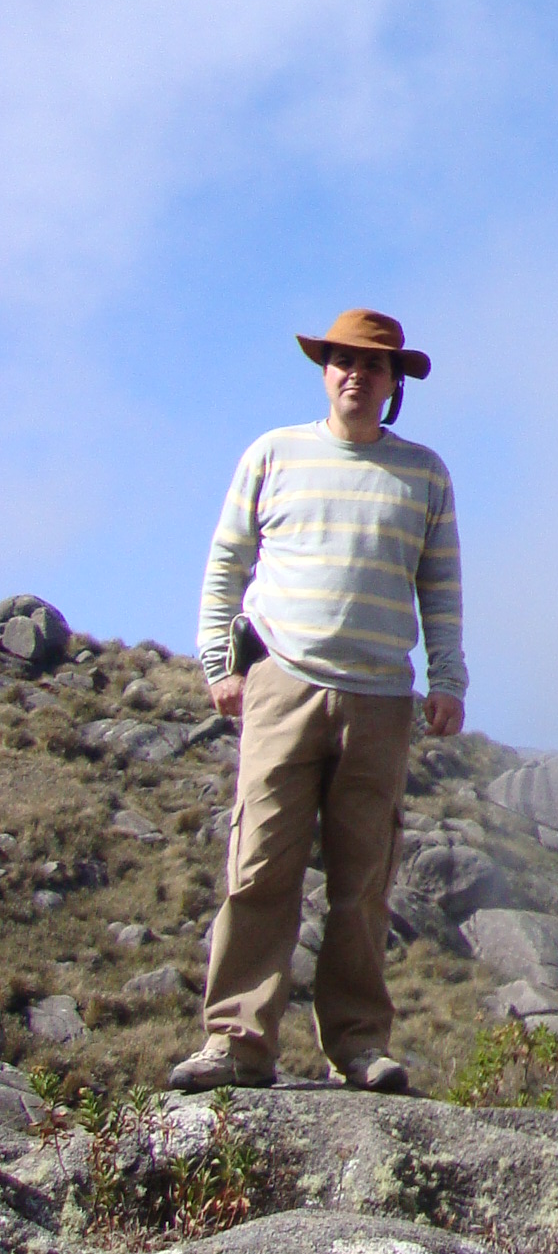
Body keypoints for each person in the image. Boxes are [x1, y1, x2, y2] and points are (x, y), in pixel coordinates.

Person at [167, 310, 467, 1095]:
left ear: (395, 382)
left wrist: (449, 680)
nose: (354, 376)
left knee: (363, 882)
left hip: (378, 698)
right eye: (341, 361)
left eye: (372, 365)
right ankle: (236, 1042)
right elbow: (227, 560)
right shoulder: (274, 454)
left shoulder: (424, 474)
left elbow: (440, 587)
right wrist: (217, 662)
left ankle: (360, 1046)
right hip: (281, 683)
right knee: (259, 864)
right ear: (324, 371)